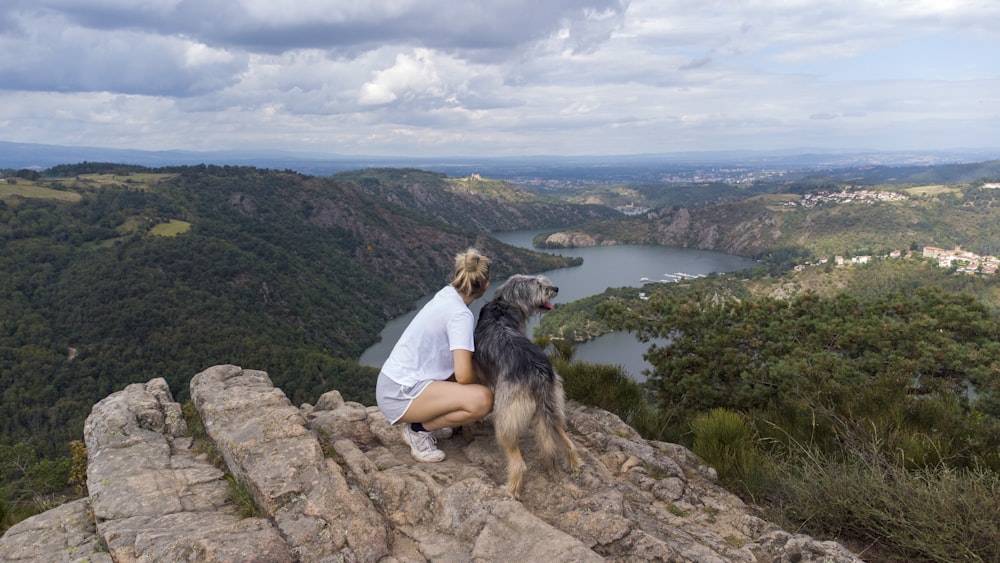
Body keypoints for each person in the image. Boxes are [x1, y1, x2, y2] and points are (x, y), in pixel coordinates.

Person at [376, 248, 494, 462]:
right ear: (485, 286)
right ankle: (418, 429)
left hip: (393, 382)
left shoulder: (447, 294)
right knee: (483, 400)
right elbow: (464, 376)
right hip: (400, 394)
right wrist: (485, 384)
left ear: (457, 275)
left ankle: (425, 418)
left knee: (471, 369)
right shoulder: (460, 315)